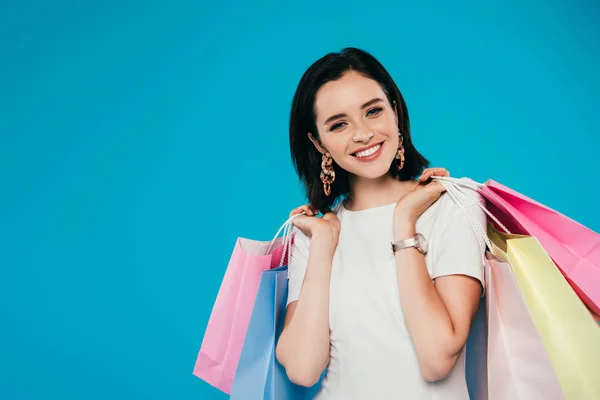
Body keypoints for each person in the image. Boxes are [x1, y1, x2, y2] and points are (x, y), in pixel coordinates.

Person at [275, 47, 487, 400]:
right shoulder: (316, 235)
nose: (362, 134)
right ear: (318, 142)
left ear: (394, 110)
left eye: (373, 111)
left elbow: (437, 358)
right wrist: (324, 244)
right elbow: (302, 368)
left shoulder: (453, 205)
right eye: (339, 124)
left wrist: (404, 221)